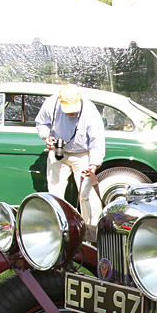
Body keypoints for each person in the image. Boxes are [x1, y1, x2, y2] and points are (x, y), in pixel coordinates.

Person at [34, 84, 105, 224]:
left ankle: (91, 229)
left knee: (87, 194)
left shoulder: (90, 111)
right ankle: (58, 226)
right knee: (55, 191)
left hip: (83, 153)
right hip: (58, 151)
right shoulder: (50, 104)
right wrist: (46, 137)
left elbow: (97, 141)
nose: (71, 113)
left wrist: (93, 164)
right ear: (60, 101)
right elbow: (41, 123)